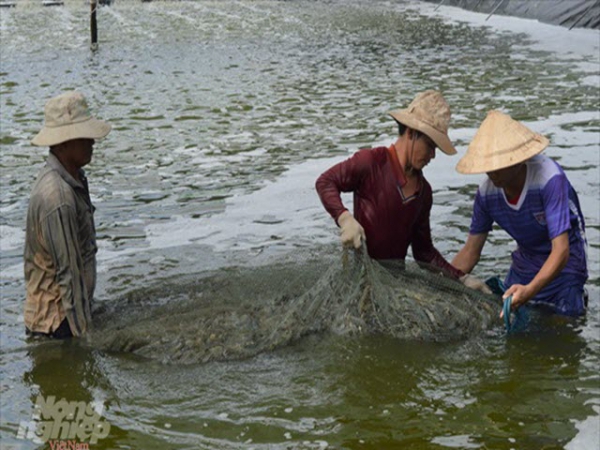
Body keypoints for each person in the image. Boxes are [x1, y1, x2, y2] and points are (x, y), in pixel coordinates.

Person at [315, 90, 489, 291]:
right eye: (430, 145)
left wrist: (462, 279)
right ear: (412, 133)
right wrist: (344, 218)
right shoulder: (372, 163)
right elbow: (325, 182)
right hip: (361, 279)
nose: (432, 155)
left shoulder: (424, 193)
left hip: (396, 283)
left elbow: (424, 252)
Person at [452, 110, 588, 316]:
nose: (492, 172)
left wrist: (529, 291)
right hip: (525, 264)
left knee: (563, 329)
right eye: (488, 166)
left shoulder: (549, 180)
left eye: (500, 164)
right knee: (512, 323)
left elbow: (561, 251)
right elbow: (471, 252)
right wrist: (446, 280)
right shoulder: (486, 194)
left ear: (518, 160)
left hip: (566, 266)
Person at [24, 91, 111, 338]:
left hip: (68, 314)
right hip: (57, 324)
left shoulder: (74, 178)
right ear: (63, 143)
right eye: (84, 137)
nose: (92, 141)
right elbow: (69, 276)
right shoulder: (58, 198)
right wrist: (86, 338)